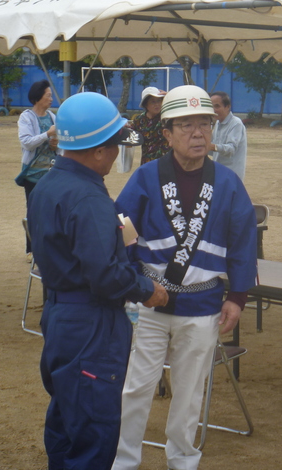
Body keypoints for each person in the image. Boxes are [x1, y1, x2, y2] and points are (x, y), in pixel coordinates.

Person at [112, 85, 258, 470]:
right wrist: (131, 283)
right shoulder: (144, 178)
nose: (198, 133)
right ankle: (124, 459)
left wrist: (237, 297)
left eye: (205, 124)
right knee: (137, 387)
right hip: (149, 302)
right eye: (186, 125)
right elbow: (122, 229)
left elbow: (244, 241)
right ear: (167, 133)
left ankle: (182, 458)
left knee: (190, 391)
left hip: (203, 304)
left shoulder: (227, 184)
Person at [27, 92, 169, 470]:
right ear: (100, 151)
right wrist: (147, 290)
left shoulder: (46, 186)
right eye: (115, 146)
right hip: (91, 322)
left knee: (66, 419)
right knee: (93, 431)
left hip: (59, 316)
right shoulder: (87, 197)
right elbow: (104, 274)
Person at [18, 79, 58, 261]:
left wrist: (56, 144)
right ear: (37, 97)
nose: (51, 99)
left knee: (52, 211)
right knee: (33, 211)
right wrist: (47, 134)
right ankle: (31, 249)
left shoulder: (52, 117)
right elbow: (26, 142)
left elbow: (60, 147)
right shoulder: (26, 117)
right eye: (48, 96)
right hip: (33, 175)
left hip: (52, 174)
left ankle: (50, 248)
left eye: (51, 96)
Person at [209, 91, 247, 181]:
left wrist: (212, 146)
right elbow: (214, 150)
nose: (213, 109)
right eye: (211, 106)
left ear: (228, 107)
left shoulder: (236, 123)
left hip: (232, 175)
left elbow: (231, 149)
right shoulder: (218, 123)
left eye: (217, 106)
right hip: (219, 172)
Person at [129, 86, 168, 165]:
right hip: (147, 164)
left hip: (167, 163)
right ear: (146, 105)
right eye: (153, 102)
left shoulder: (167, 117)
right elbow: (130, 141)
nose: (157, 104)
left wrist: (170, 96)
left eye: (159, 101)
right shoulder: (139, 120)